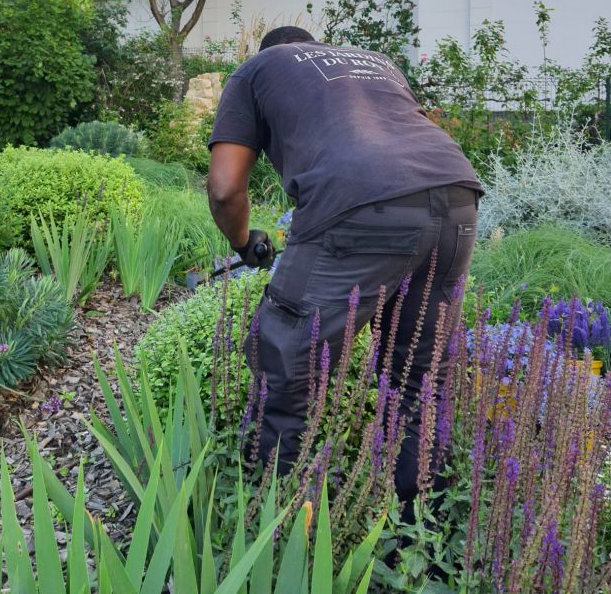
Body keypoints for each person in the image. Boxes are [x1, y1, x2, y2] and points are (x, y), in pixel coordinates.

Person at [206, 26, 482, 508]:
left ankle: (272, 517)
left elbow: (225, 189)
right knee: (419, 375)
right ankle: (416, 534)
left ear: (274, 52)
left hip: (358, 200)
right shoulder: (376, 61)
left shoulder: (256, 70)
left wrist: (245, 243)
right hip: (457, 195)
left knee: (287, 358)